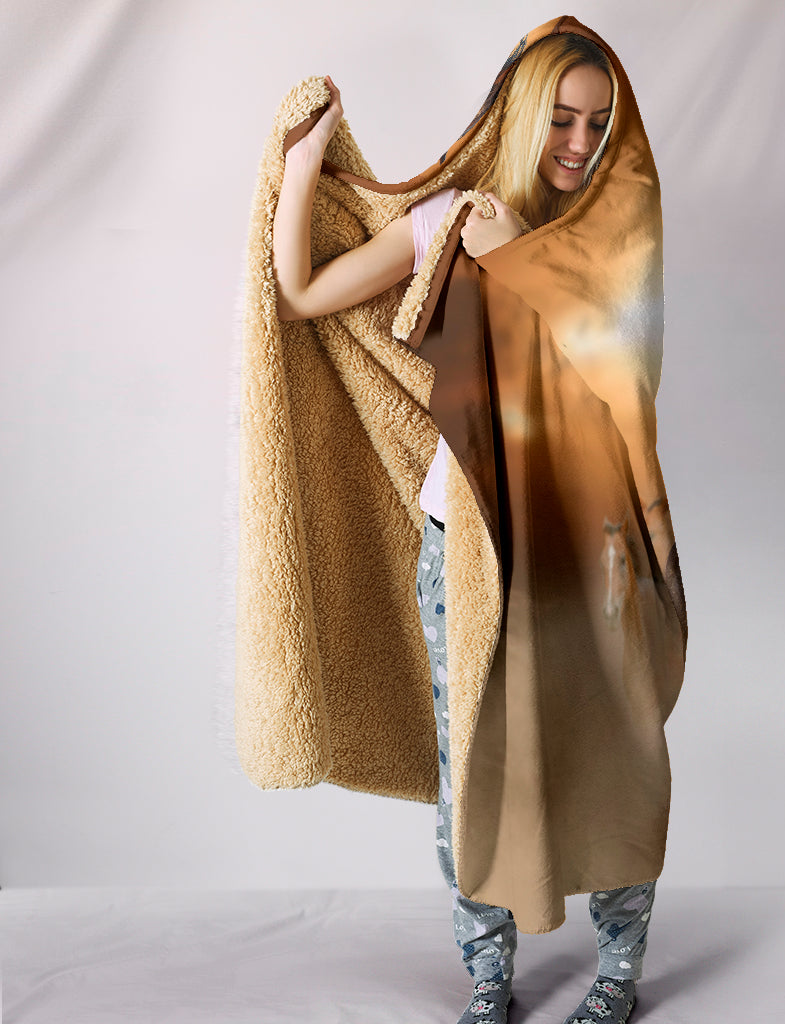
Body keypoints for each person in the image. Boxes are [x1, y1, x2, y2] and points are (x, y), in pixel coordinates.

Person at [254, 22, 685, 1024]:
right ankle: (488, 978)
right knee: (472, 773)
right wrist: (304, 160)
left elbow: (620, 375)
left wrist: (521, 259)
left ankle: (618, 974)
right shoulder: (450, 222)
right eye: (561, 119)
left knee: (617, 748)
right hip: (467, 544)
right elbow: (303, 294)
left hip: (591, 547)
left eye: (598, 124)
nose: (579, 142)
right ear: (524, 116)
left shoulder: (611, 239)